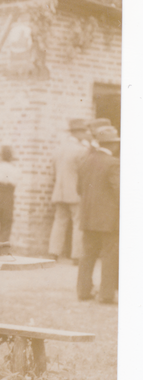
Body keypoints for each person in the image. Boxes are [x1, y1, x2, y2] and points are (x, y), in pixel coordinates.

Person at [77, 124, 120, 304]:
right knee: (110, 256)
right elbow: (119, 192)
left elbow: (79, 189)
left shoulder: (85, 160)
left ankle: (83, 291)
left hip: (87, 217)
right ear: (111, 145)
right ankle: (106, 294)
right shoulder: (114, 163)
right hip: (108, 220)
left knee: (87, 255)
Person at [48, 119, 91, 261]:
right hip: (75, 193)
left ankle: (54, 253)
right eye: (84, 131)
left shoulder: (58, 149)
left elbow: (53, 173)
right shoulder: (82, 150)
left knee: (59, 221)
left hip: (59, 192)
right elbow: (84, 173)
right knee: (78, 223)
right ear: (77, 132)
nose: (86, 134)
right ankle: (76, 256)